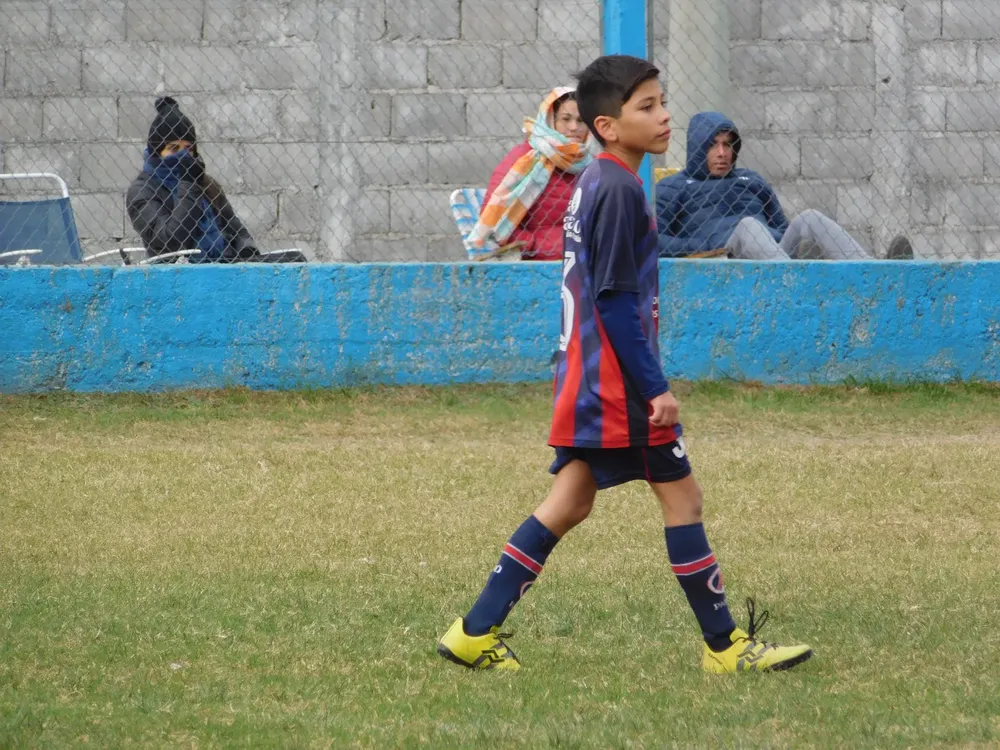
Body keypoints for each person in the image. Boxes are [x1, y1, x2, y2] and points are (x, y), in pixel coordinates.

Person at [437, 56, 813, 674]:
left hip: (589, 380)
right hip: (617, 387)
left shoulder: (602, 183)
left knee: (569, 502)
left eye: (663, 102)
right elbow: (614, 302)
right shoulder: (614, 189)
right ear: (608, 126)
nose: (665, 116)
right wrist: (654, 387)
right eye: (647, 107)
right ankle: (724, 648)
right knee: (683, 499)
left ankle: (474, 632)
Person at [656, 111, 913, 260]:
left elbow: (780, 226)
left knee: (809, 218)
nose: (723, 153)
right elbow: (655, 242)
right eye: (714, 144)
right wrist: (708, 246)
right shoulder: (675, 187)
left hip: (771, 255)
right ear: (697, 146)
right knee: (748, 225)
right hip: (724, 258)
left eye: (728, 144)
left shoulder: (751, 179)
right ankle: (793, 282)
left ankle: (876, 273)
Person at [127, 97, 297, 264]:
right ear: (158, 151)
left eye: (188, 148)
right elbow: (170, 240)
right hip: (179, 273)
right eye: (173, 148)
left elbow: (235, 228)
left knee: (294, 261)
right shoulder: (143, 190)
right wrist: (188, 183)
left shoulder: (206, 183)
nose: (183, 155)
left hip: (223, 265)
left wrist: (247, 253)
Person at [466, 87, 599, 261]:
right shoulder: (526, 158)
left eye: (581, 121)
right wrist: (533, 245)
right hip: (539, 260)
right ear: (551, 120)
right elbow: (495, 218)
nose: (574, 127)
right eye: (566, 119)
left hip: (587, 256)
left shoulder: (592, 162)